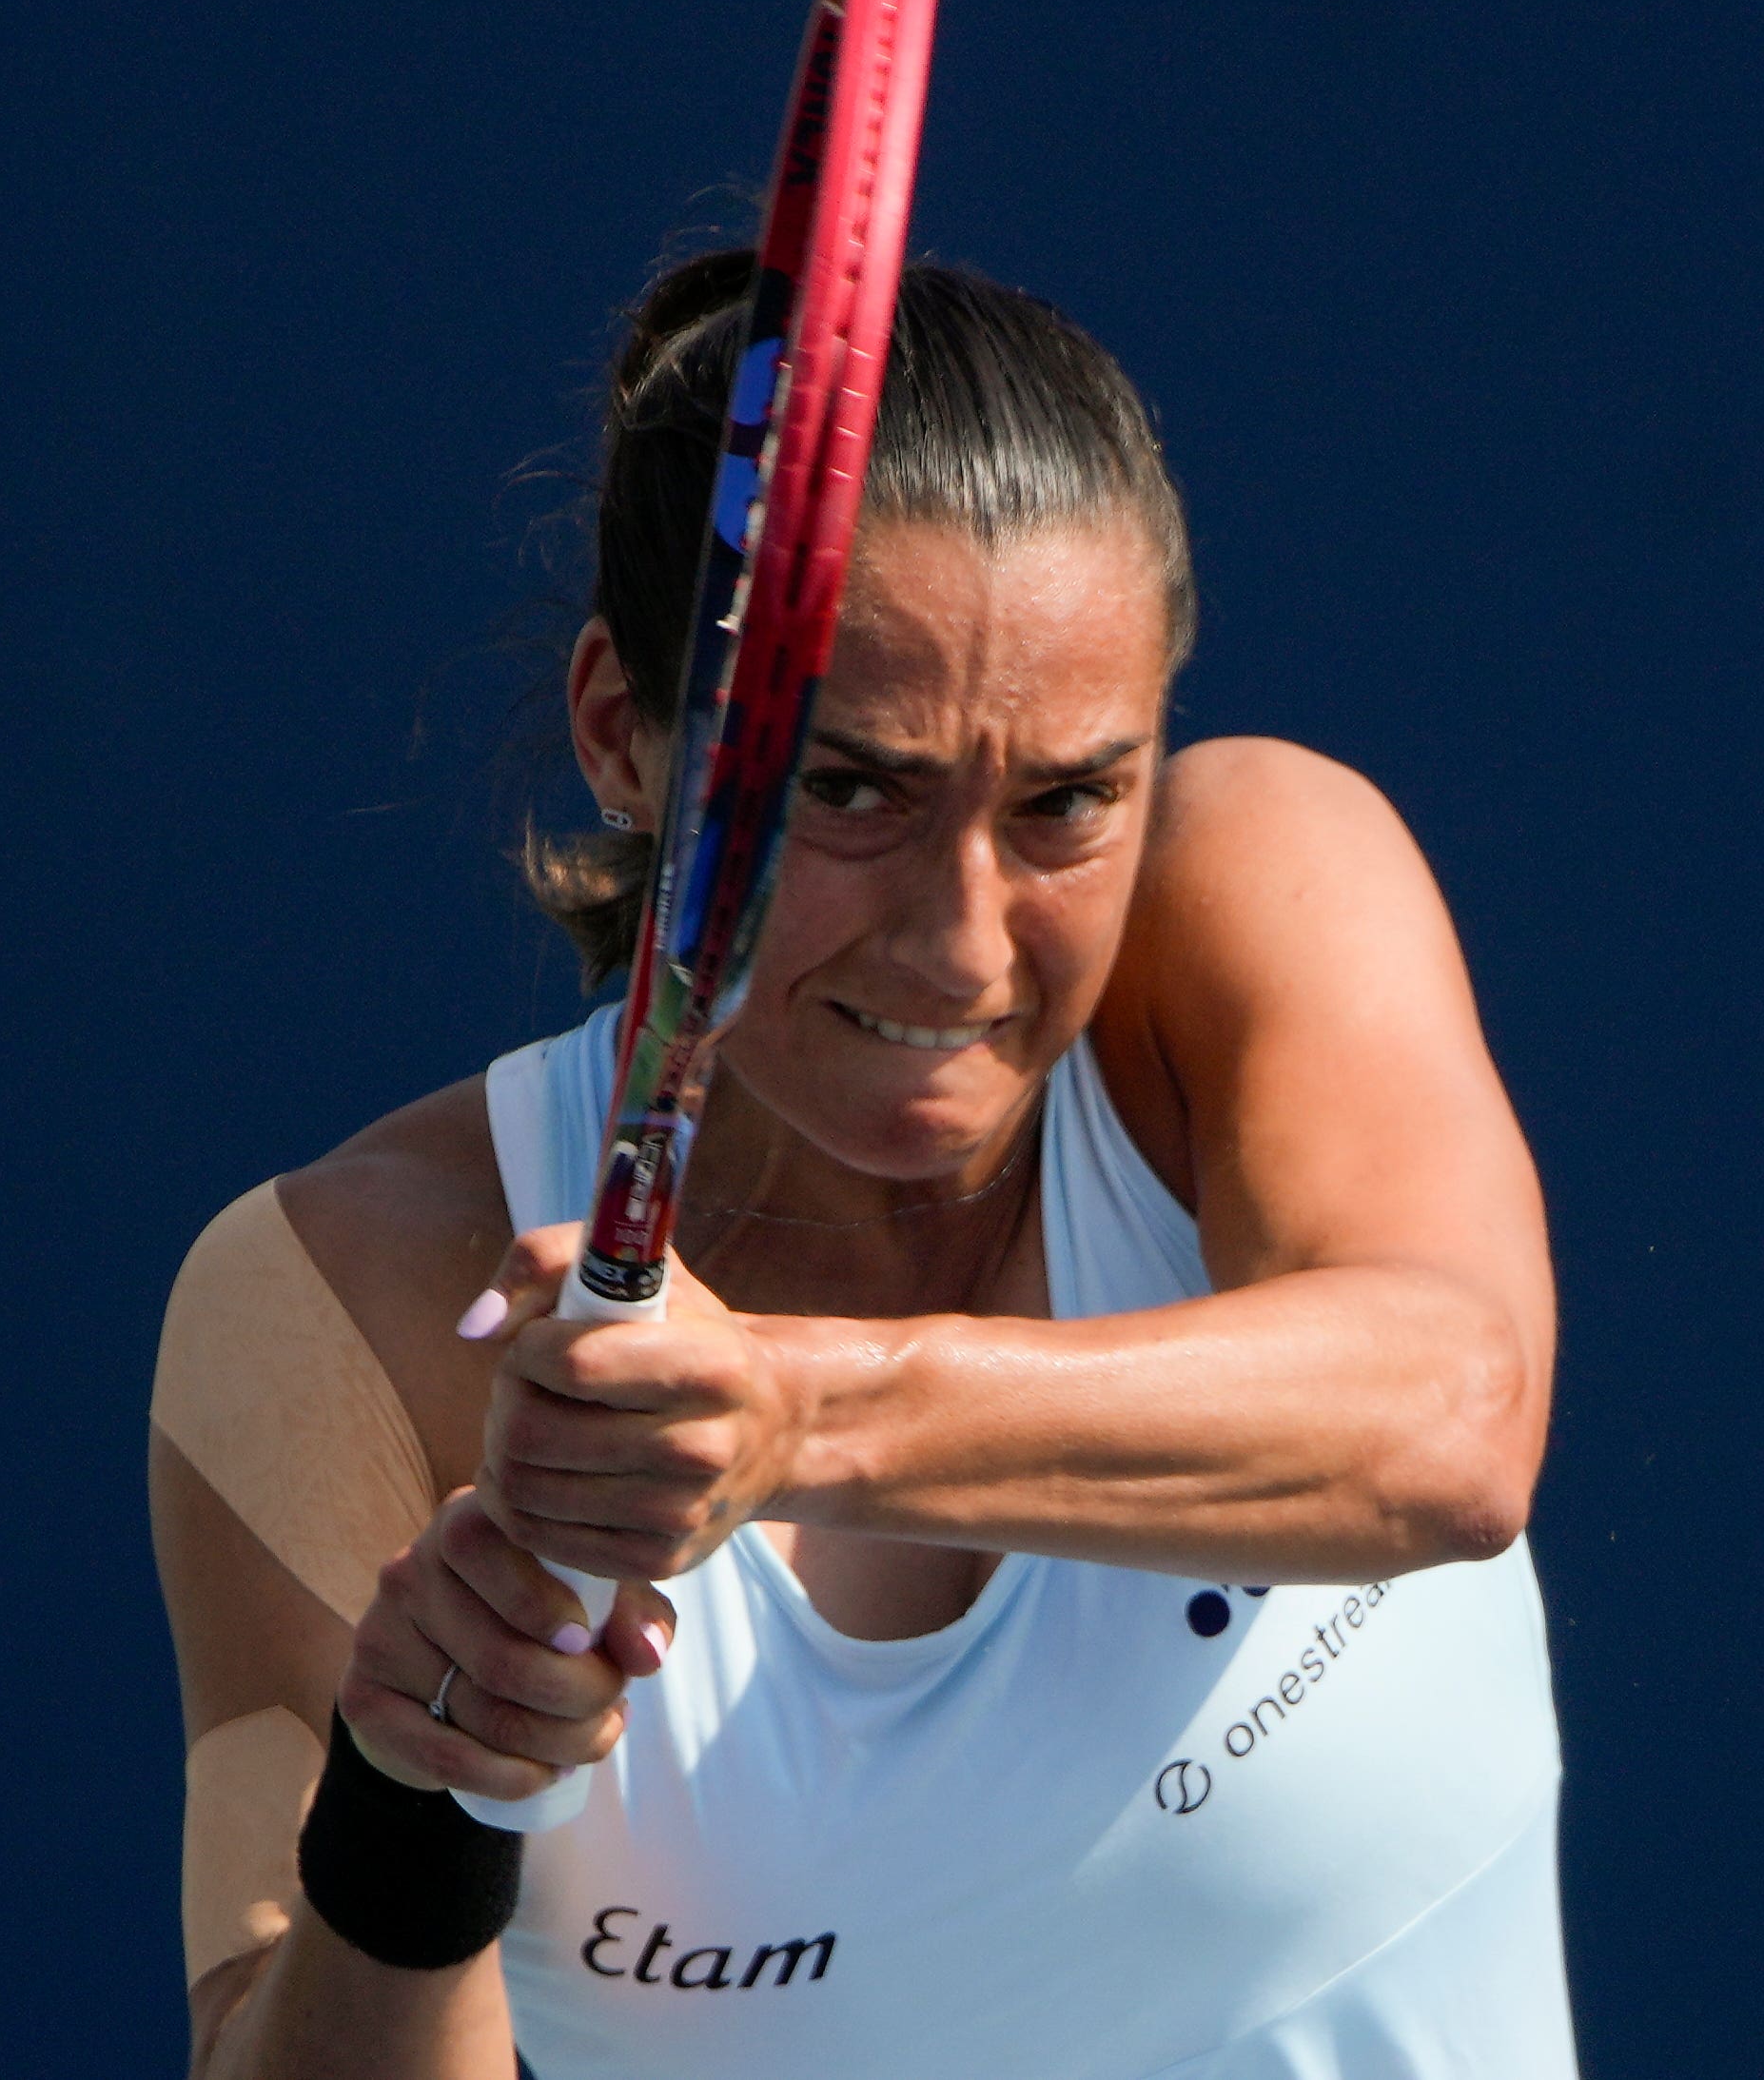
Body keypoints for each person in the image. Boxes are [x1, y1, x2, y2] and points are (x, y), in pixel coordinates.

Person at [148, 250, 1570, 2078]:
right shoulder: (344, 1302)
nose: (965, 948)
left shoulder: (1259, 889)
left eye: (1068, 802)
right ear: (620, 736)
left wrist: (789, 1417)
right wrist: (423, 1805)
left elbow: (1451, 1421)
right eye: (850, 791)